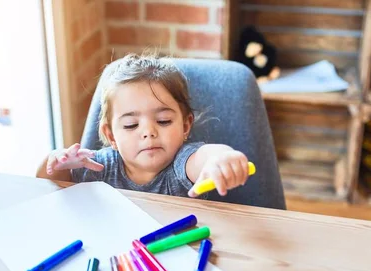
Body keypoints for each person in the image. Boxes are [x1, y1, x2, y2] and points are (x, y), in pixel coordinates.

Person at [36, 52, 250, 198]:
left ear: (186, 126)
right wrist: (56, 163)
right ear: (111, 136)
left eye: (163, 121)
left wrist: (220, 158)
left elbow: (203, 158)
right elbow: (46, 185)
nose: (148, 132)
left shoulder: (181, 163)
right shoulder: (100, 167)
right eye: (131, 125)